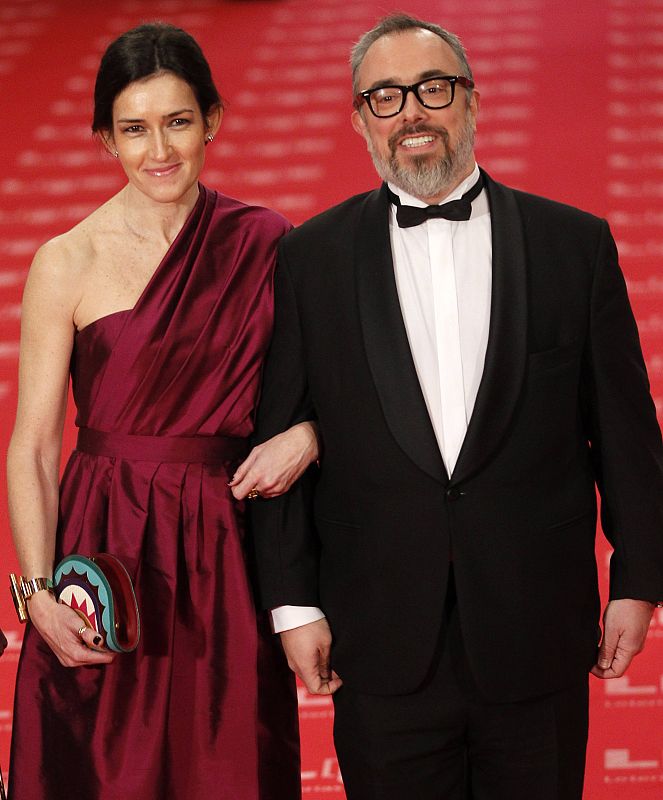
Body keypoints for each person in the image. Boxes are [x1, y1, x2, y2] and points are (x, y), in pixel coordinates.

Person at [251, 12, 663, 800]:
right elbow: (281, 436)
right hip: (378, 638)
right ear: (357, 119)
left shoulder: (572, 245)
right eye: (385, 96)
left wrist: (638, 579)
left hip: (534, 627)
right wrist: (293, 603)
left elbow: (624, 430)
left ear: (471, 102)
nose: (410, 112)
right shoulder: (310, 259)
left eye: (431, 90)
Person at [6, 22, 318, 800]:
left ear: (211, 119)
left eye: (178, 122)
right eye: (133, 129)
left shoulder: (268, 242)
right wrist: (37, 596)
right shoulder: (66, 260)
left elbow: (334, 392)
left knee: (230, 767)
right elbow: (34, 448)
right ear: (104, 138)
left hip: (228, 550)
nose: (159, 151)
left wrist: (309, 435)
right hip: (105, 558)